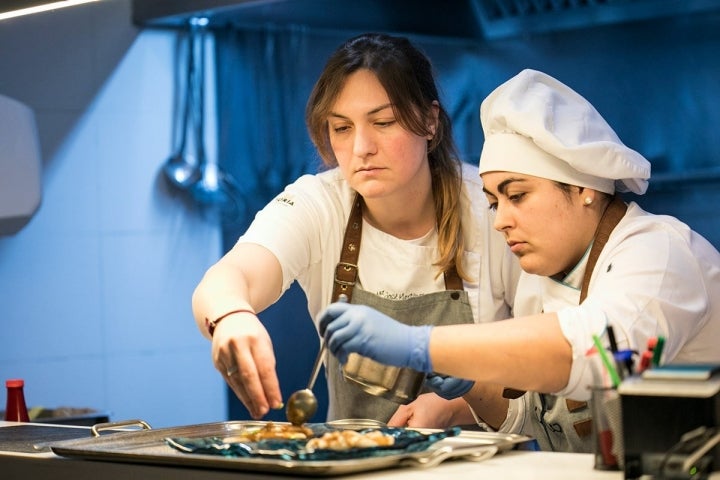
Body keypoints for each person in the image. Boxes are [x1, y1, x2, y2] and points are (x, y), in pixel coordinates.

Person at [318, 68, 720, 452]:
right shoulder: (541, 278)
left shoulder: (659, 253)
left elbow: (601, 353)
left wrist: (422, 344)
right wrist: (472, 386)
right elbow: (535, 416)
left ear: (584, 189)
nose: (501, 221)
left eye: (518, 195)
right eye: (494, 202)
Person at [191, 33, 528, 423]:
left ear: (430, 121)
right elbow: (229, 276)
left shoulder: (490, 207)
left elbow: (552, 359)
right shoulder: (320, 204)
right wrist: (231, 317)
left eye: (383, 122)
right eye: (342, 128)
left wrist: (457, 405)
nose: (361, 147)